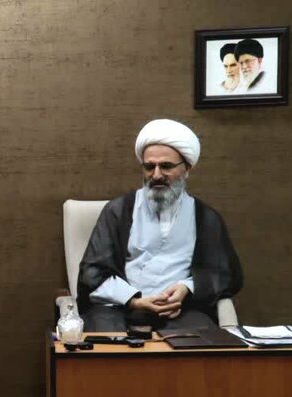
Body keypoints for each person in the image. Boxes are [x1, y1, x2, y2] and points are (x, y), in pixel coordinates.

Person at [77, 119, 243, 332]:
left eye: (166, 166)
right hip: (120, 307)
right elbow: (92, 273)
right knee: (107, 343)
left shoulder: (205, 217)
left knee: (197, 342)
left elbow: (224, 273)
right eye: (149, 167)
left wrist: (186, 288)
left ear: (187, 168)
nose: (156, 175)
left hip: (180, 310)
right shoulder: (118, 211)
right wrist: (133, 300)